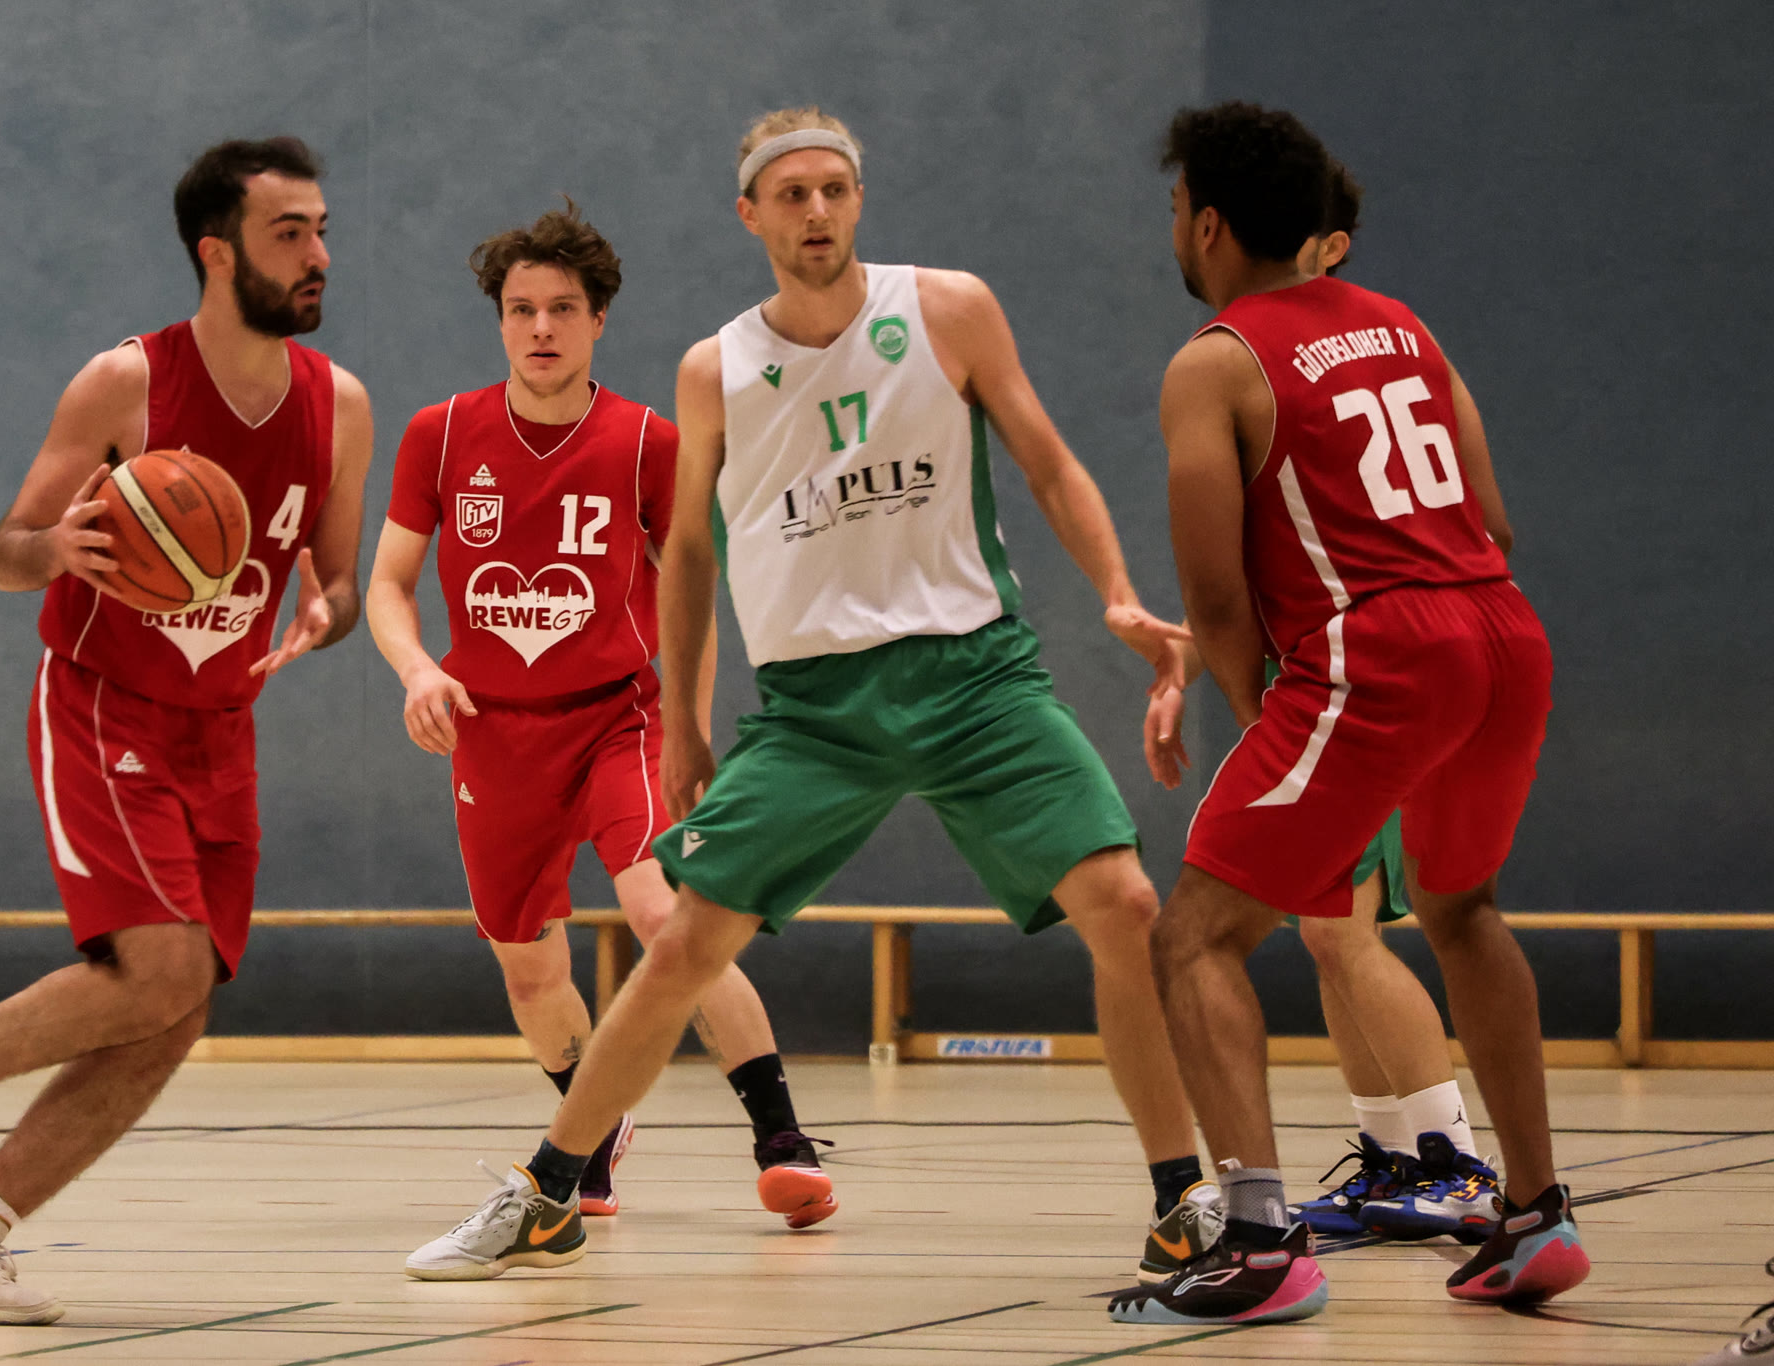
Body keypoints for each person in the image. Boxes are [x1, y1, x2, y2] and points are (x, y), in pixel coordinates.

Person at [406, 106, 1203, 1286]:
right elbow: (685, 556)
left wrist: (1120, 597)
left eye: (834, 188)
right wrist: (684, 724)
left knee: (1124, 901)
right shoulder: (715, 369)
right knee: (683, 941)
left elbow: (1045, 459)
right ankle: (551, 1192)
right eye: (791, 193)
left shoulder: (948, 309)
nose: (816, 209)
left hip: (975, 675)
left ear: (858, 198)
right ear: (751, 214)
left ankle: (1182, 1199)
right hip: (815, 708)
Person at [0, 137, 371, 1325]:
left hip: (221, 725)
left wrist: (326, 613)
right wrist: (58, 547)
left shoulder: (338, 404)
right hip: (101, 704)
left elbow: (335, 581)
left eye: (320, 230)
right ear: (217, 251)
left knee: (175, 1005)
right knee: (161, 967)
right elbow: (5, 552)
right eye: (289, 232)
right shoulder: (124, 382)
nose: (317, 255)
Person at [1110, 102, 1589, 1328]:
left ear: (1207, 224)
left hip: (1373, 653)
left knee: (1193, 935)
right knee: (1461, 911)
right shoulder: (1403, 325)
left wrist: (1266, 716)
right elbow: (1489, 516)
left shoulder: (1214, 360)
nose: (1174, 225)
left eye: (1175, 206)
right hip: (1500, 632)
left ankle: (1256, 1244)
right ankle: (1533, 1214)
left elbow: (1216, 591)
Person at [366, 202, 826, 1233]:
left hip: (619, 717)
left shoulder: (647, 442)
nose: (541, 328)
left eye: (563, 308)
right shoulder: (439, 434)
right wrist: (416, 670)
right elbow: (388, 583)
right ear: (499, 320)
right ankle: (593, 1127)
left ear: (598, 319)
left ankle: (781, 1137)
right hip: (491, 730)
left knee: (668, 915)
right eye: (521, 309)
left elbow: (693, 598)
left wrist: (689, 732)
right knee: (530, 970)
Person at [1141, 161, 1505, 1247]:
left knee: (1337, 929)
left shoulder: (1249, 358)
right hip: (1446, 651)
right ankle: (1406, 1152)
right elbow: (1458, 527)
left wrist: (1262, 694)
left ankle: (1450, 1161)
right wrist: (1194, 660)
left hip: (1369, 672)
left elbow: (1266, 570)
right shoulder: (1397, 337)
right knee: (1332, 925)